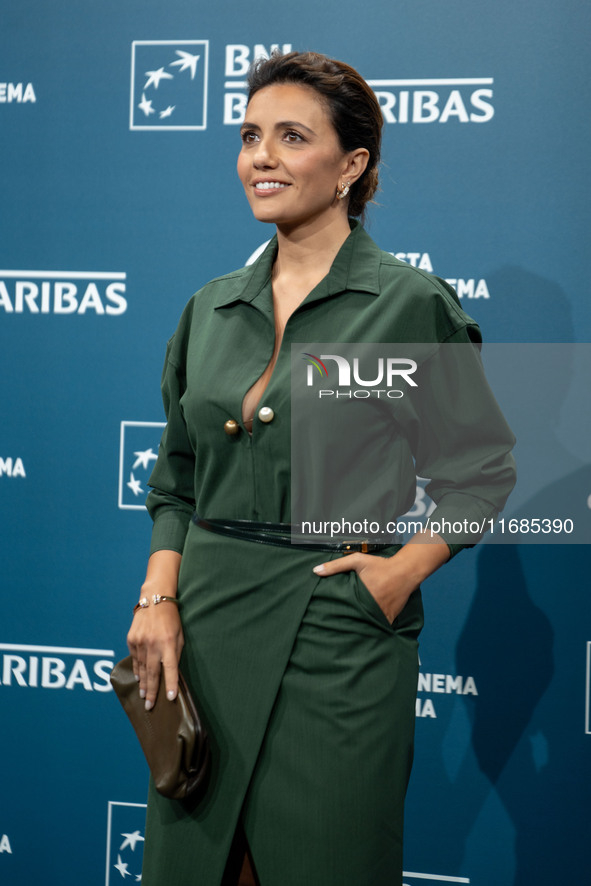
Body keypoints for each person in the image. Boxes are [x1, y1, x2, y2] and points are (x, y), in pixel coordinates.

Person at [127, 51, 516, 886]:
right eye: (248, 136)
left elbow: (482, 471)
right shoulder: (208, 308)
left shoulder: (410, 305)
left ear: (350, 166)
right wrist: (159, 599)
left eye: (290, 137)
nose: (259, 157)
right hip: (203, 634)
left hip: (338, 639)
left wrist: (400, 572)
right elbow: (175, 479)